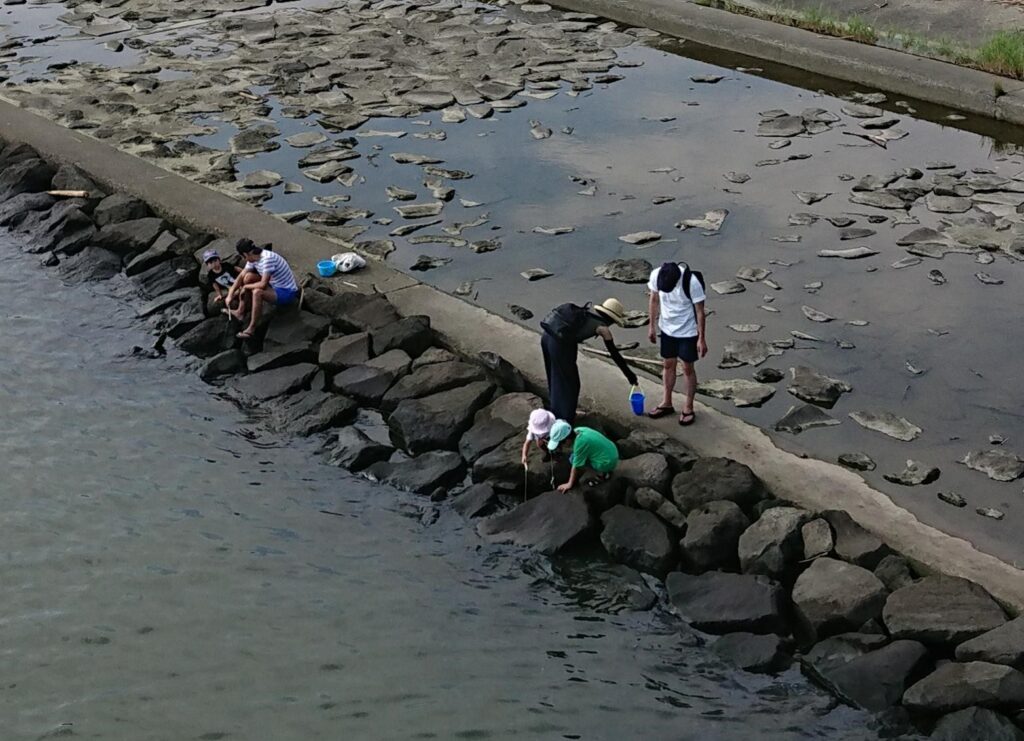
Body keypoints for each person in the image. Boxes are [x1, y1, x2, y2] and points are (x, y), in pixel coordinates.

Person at [539, 298, 638, 423]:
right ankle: (565, 419)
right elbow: (614, 354)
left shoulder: (585, 313)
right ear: (612, 319)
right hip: (560, 345)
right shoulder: (603, 328)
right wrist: (630, 376)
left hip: (548, 335)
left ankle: (560, 412)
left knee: (555, 377)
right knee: (570, 383)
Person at [646, 261, 707, 426]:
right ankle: (666, 402)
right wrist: (651, 326)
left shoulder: (691, 282)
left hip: (687, 331)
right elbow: (653, 300)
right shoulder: (657, 275)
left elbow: (701, 312)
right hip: (667, 329)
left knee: (687, 368)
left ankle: (688, 406)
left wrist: (701, 338)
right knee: (668, 364)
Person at [226, 239, 300, 339]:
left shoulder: (267, 259)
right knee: (248, 277)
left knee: (257, 292)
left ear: (245, 254)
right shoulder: (253, 258)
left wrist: (245, 287)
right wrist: (230, 294)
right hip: (274, 284)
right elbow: (241, 276)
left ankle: (251, 329)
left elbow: (262, 284)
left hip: (287, 291)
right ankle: (240, 312)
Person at [547, 420, 619, 492]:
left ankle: (603, 474)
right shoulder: (579, 430)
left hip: (607, 462)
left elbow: (576, 466)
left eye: (560, 444)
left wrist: (569, 484)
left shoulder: (580, 444)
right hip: (612, 450)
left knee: (574, 460)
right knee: (574, 457)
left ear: (567, 440)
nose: (562, 447)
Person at [202, 248, 242, 314]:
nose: (214, 264)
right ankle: (232, 307)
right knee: (233, 293)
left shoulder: (225, 265)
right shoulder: (211, 275)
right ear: (207, 265)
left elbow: (236, 268)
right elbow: (215, 285)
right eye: (210, 263)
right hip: (230, 288)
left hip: (237, 282)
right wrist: (219, 294)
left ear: (219, 260)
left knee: (239, 290)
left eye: (215, 261)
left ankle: (231, 299)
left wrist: (244, 272)